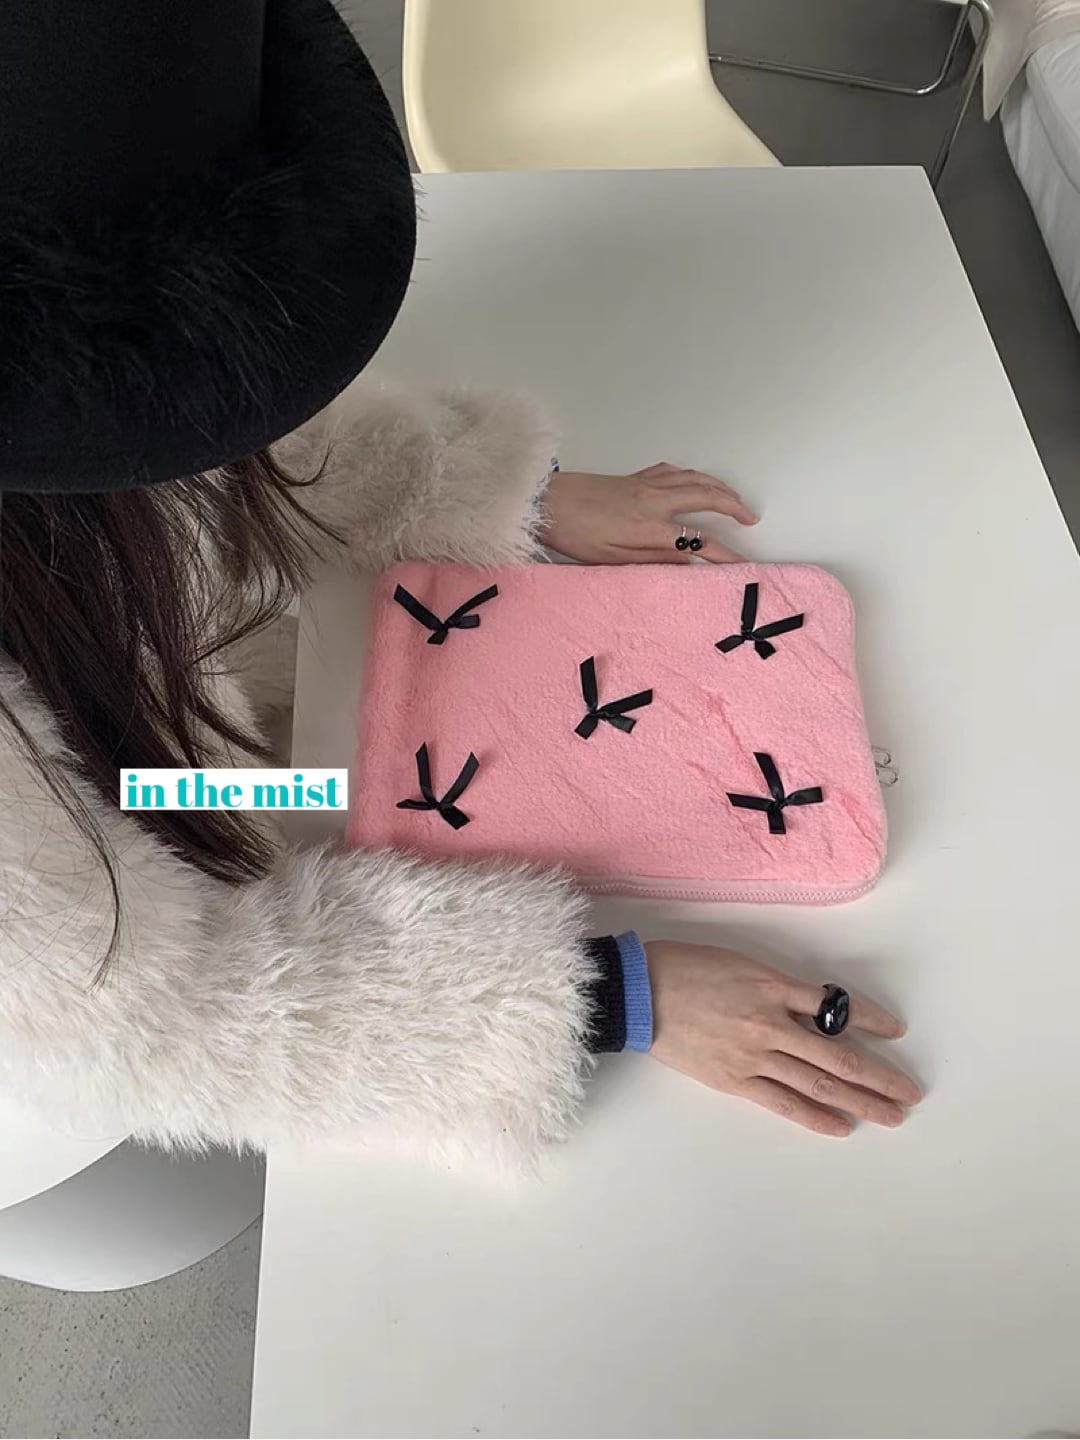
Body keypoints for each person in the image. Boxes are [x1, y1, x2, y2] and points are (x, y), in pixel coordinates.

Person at [0, 0, 920, 1168]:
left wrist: (513, 491)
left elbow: (219, 428)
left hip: (178, 765)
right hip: (79, 996)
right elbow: (156, 1019)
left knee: (358, 784)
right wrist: (608, 997)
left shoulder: (108, 371)